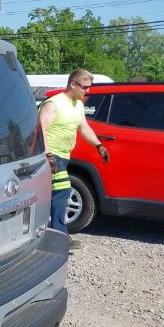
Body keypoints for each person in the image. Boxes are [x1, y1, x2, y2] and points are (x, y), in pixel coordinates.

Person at [39, 69, 109, 248]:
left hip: (64, 155)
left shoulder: (77, 105)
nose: (88, 91)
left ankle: (47, 233)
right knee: (63, 190)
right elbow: (41, 129)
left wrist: (99, 145)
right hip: (52, 155)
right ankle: (60, 236)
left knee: (54, 193)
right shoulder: (53, 104)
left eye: (89, 88)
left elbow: (84, 128)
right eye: (85, 87)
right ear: (73, 84)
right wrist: (48, 155)